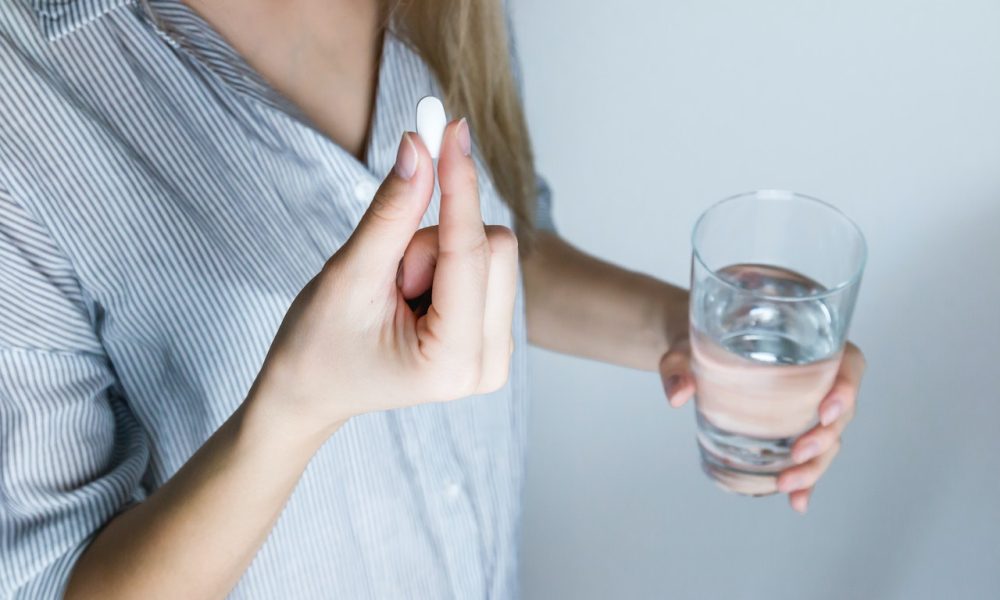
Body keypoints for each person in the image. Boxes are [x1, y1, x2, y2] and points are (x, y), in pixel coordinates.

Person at [0, 0, 866, 597]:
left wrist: (686, 334)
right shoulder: (28, 85)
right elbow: (60, 584)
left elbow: (494, 249)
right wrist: (296, 406)